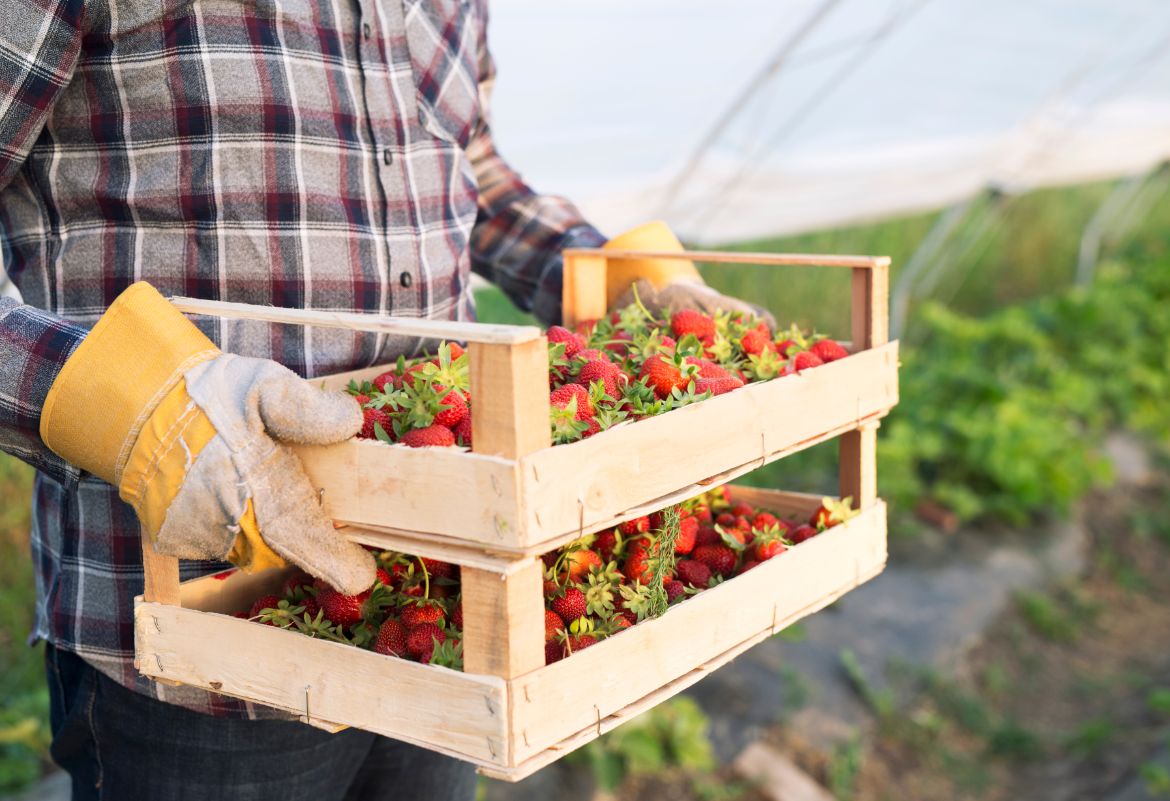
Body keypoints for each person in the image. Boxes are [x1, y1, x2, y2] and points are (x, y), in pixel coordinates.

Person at [0, 2, 765, 799]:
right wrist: (135, 412)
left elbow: (474, 173)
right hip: (196, 642)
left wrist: (617, 275)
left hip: (438, 601)